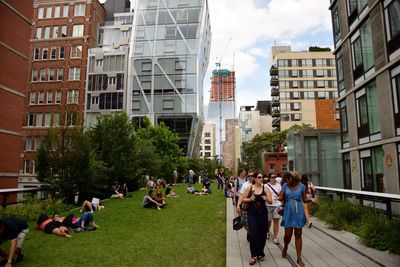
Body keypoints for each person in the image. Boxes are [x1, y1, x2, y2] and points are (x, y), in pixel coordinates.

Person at [278, 171, 318, 267]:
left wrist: (311, 199)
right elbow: (281, 198)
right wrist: (276, 197)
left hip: (298, 210)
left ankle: (299, 257)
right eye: (286, 179)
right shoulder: (285, 186)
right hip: (288, 210)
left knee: (298, 234)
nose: (287, 180)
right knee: (288, 234)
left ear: (294, 179)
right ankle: (285, 247)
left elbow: (304, 199)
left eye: (289, 178)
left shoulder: (302, 187)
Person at [237, 171, 272, 265]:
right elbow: (241, 198)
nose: (261, 179)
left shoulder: (266, 188)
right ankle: (254, 255)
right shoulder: (249, 188)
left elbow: (271, 201)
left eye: (262, 177)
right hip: (252, 214)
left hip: (263, 214)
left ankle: (260, 253)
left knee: (262, 234)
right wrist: (248, 200)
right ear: (255, 179)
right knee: (253, 234)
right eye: (259, 177)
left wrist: (266, 199)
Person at [265, 173, 282, 244]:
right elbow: (264, 195)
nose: (274, 178)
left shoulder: (278, 185)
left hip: (277, 205)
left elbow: (281, 195)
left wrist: (279, 198)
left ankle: (275, 237)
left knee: (276, 221)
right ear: (269, 178)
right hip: (268, 205)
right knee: (268, 221)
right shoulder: (266, 186)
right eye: (272, 177)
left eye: (275, 177)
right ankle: (267, 232)